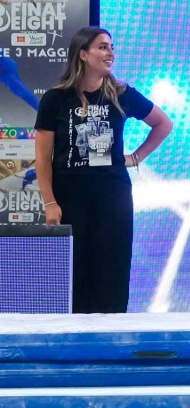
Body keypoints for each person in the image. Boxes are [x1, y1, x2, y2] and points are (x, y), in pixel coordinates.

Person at [32, 26, 173, 312]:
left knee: (113, 269)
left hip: (113, 194)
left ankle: (113, 333)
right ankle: (76, 334)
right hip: (70, 195)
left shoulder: (122, 94)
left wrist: (136, 157)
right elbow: (43, 157)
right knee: (77, 272)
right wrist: (50, 202)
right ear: (83, 54)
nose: (110, 53)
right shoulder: (56, 99)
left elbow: (163, 124)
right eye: (102, 47)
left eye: (111, 47)